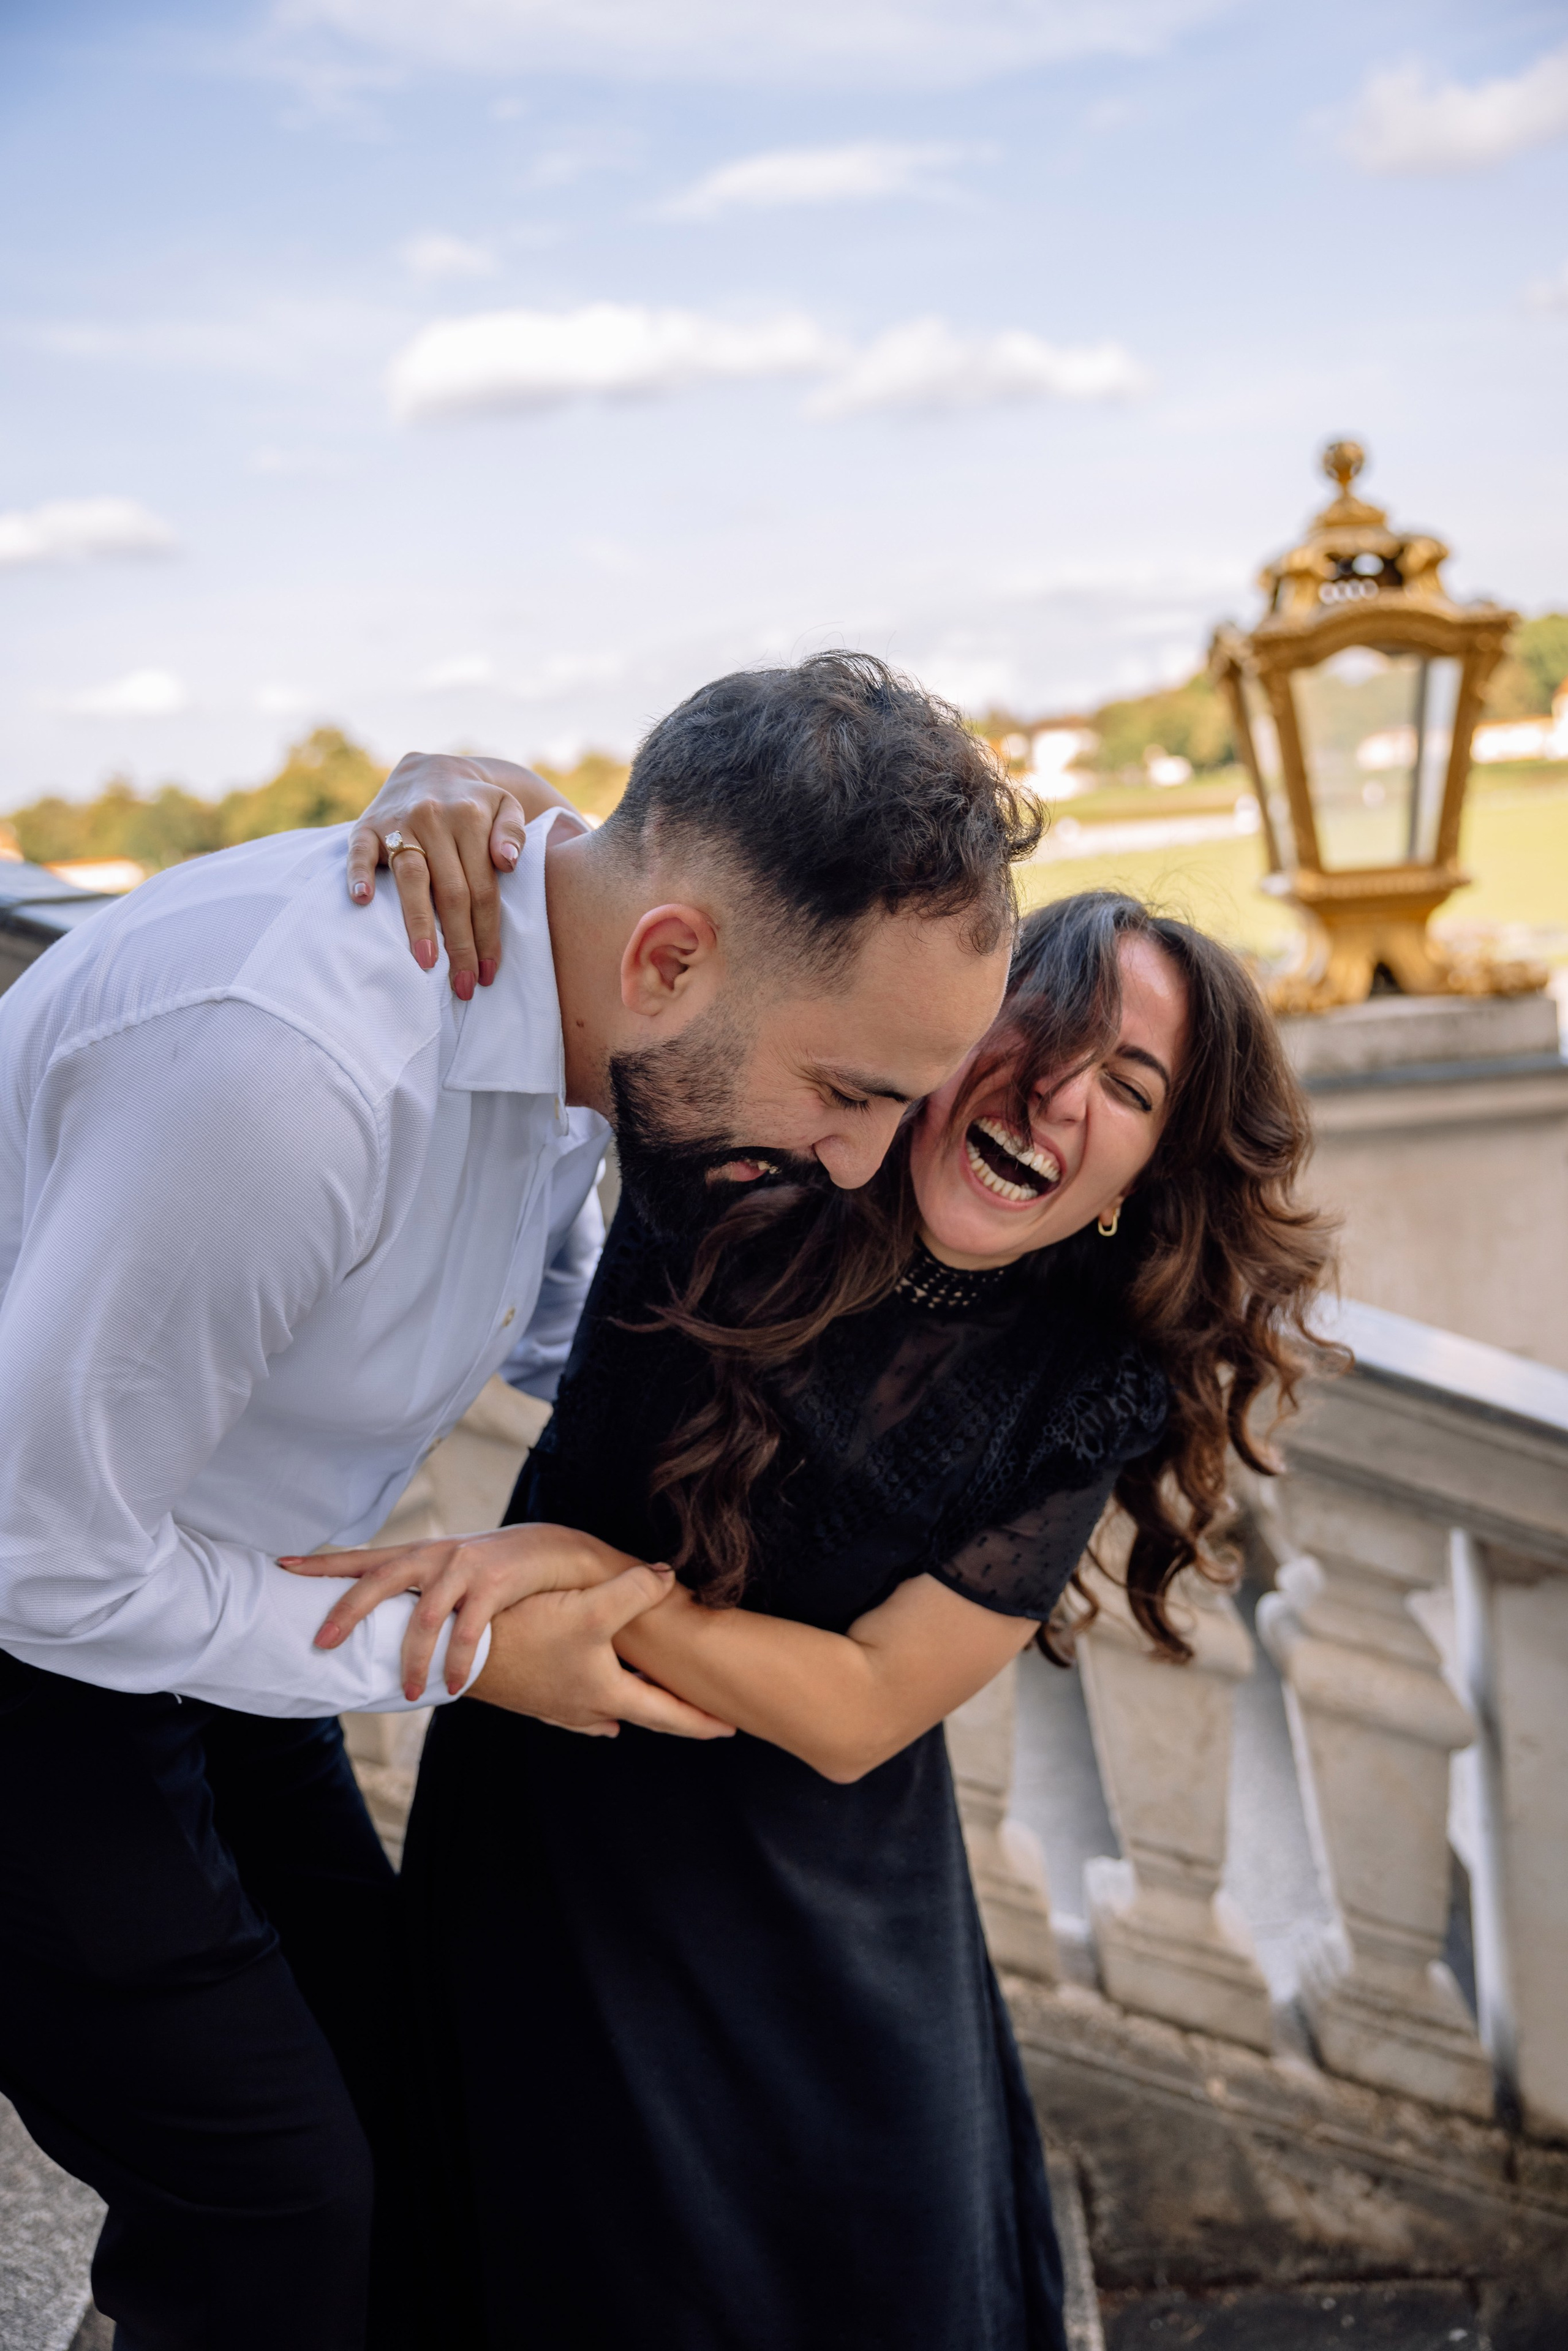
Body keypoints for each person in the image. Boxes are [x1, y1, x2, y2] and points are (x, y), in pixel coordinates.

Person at [0, 654, 1036, 2351]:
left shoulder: (577, 982)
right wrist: (467, 1653)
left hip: (217, 1602)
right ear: (669, 958)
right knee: (277, 2203)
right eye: (850, 1094)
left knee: (412, 2105)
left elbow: (572, 1335)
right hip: (35, 1636)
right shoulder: (295, 1079)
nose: (858, 1160)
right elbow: (34, 1553)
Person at [299, 885, 1338, 2351]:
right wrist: (470, 791)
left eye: (1126, 1085)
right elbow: (646, 892)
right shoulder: (739, 1151)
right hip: (544, 1874)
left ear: (1137, 1168)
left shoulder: (1082, 1383)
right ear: (956, 1018)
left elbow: (855, 1709)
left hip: (825, 1941)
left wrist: (573, 1570)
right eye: (1047, 1026)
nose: (1058, 1091)